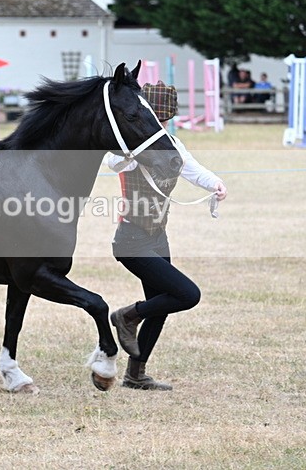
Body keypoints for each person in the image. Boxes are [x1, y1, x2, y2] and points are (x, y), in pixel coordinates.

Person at [107, 81, 228, 391]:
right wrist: (129, 153)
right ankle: (126, 316)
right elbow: (113, 161)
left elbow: (192, 168)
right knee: (188, 295)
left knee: (160, 305)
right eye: (155, 117)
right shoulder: (128, 146)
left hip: (158, 237)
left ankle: (135, 375)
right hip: (131, 240)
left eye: (163, 119)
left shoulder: (172, 143)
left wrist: (215, 183)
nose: (159, 124)